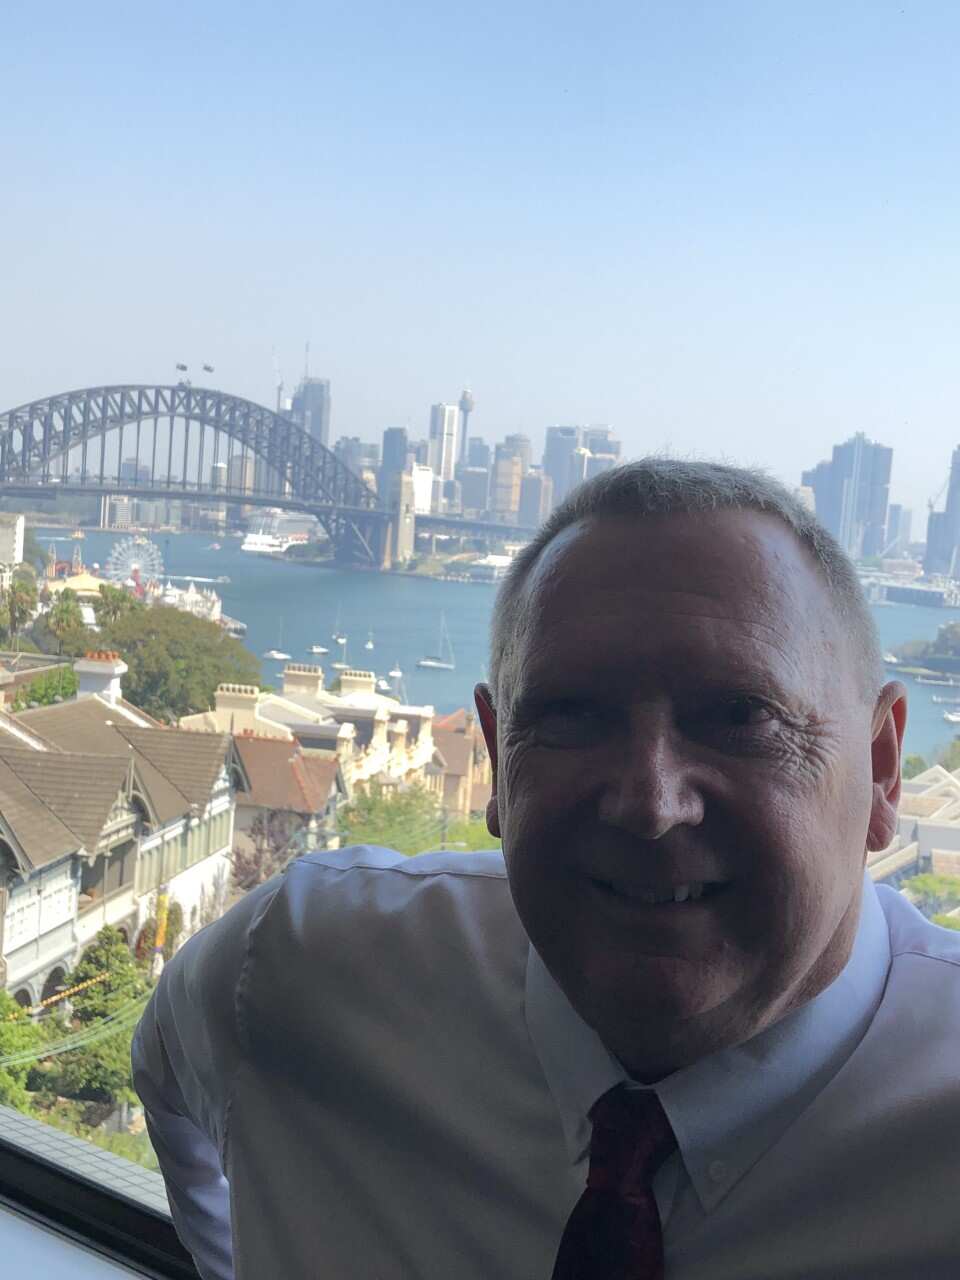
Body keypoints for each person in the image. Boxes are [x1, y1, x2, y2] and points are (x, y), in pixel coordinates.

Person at [132, 459, 960, 1280]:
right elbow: (166, 1077)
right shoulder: (299, 968)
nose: (650, 803)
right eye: (569, 716)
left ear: (883, 767)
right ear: (497, 757)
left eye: (740, 716)